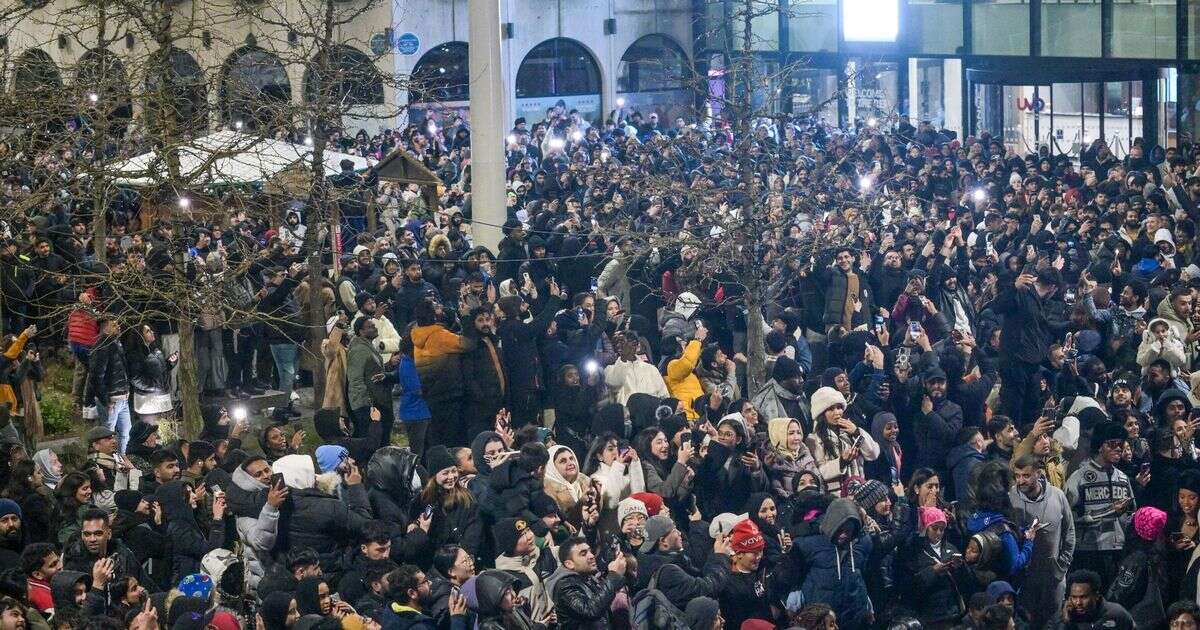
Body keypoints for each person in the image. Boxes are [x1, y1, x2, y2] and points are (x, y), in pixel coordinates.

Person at [1065, 421, 1137, 586]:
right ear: (1099, 446)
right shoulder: (1079, 477)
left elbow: (1132, 513)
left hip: (1118, 550)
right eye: (1112, 444)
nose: (1118, 448)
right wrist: (1109, 511)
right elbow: (1068, 517)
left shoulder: (1123, 478)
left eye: (1121, 444)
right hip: (1089, 551)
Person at [1009, 454, 1075, 627]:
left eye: (1026, 475)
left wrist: (1062, 565)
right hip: (1024, 578)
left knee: (1052, 624)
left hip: (1053, 577)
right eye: (1017, 476)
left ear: (1038, 474)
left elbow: (1069, 532)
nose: (1020, 481)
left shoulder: (1058, 496)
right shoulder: (1011, 498)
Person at [546, 537, 628, 629]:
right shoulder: (565, 585)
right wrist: (613, 576)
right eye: (583, 554)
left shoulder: (586, 577)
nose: (591, 556)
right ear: (569, 564)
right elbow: (590, 611)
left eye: (590, 551)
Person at [1052, 570, 1135, 630]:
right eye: (1074, 597)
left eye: (1083, 597)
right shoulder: (1064, 615)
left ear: (1096, 596)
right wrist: (1065, 621)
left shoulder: (1117, 614)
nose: (1078, 602)